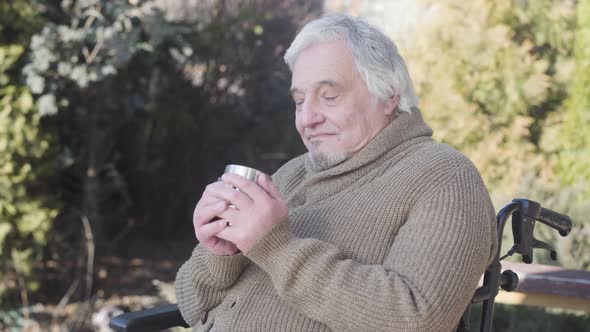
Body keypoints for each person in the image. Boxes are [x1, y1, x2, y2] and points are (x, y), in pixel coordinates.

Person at [175, 14, 497, 332]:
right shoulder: (292, 174)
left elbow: (419, 318)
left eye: (329, 96)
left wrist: (276, 248)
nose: (307, 118)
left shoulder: (444, 176)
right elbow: (191, 306)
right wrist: (221, 254)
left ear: (388, 96)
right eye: (299, 101)